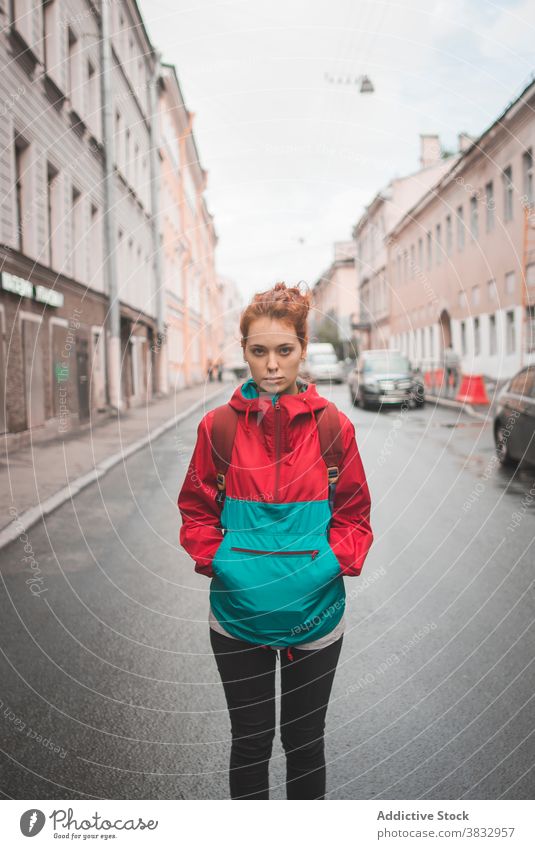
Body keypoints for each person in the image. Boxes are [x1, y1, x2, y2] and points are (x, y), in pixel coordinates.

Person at [177, 281, 374, 800]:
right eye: (258, 351)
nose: (271, 365)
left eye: (284, 350)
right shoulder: (216, 428)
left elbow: (354, 517)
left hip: (317, 617)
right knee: (250, 744)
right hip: (237, 618)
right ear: (242, 351)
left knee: (305, 744)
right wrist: (225, 564)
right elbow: (196, 512)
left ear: (303, 350)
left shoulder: (335, 429)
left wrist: (319, 571)